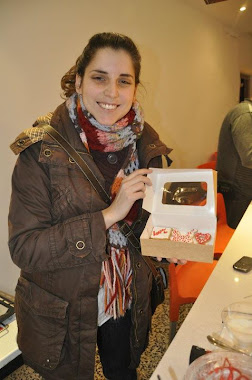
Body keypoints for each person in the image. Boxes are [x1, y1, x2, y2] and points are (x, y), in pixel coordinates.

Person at [8, 32, 183, 380]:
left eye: (124, 81)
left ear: (135, 88)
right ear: (78, 80)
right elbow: (25, 249)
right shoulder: (40, 151)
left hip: (126, 295)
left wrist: (164, 246)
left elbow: (144, 229)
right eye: (99, 78)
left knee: (123, 370)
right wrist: (108, 215)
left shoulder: (148, 146)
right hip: (64, 305)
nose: (112, 93)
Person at [216, 98, 252, 229]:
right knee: (237, 240)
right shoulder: (245, 115)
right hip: (237, 192)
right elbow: (249, 157)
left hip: (242, 190)